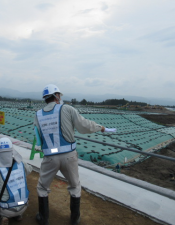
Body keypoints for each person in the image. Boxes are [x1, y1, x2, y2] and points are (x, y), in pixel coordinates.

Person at [34, 84, 116, 225]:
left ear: (45, 99)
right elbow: (84, 126)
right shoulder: (67, 109)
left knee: (42, 187)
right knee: (74, 185)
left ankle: (43, 219)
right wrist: (100, 128)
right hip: (69, 156)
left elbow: (38, 136)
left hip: (50, 158)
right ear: (57, 96)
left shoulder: (38, 115)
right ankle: (74, 219)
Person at [0, 137, 32, 225]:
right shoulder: (21, 164)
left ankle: (4, 217)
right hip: (24, 206)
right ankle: (18, 214)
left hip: (5, 209)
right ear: (12, 152)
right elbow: (30, 169)